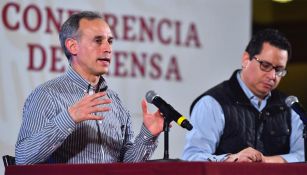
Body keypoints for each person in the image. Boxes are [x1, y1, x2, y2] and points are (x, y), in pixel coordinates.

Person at [15, 11, 164, 164]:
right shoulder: (47, 95)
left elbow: (126, 166)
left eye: (110, 41)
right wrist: (69, 118)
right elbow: (23, 158)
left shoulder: (114, 101)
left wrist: (148, 134)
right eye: (98, 41)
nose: (108, 49)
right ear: (73, 46)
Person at [182, 28, 304, 163]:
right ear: (246, 59)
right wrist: (232, 159)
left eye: (279, 70)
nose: (272, 76)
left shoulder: (289, 107)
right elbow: (192, 157)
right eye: (265, 65)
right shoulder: (213, 103)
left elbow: (302, 155)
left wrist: (266, 162)